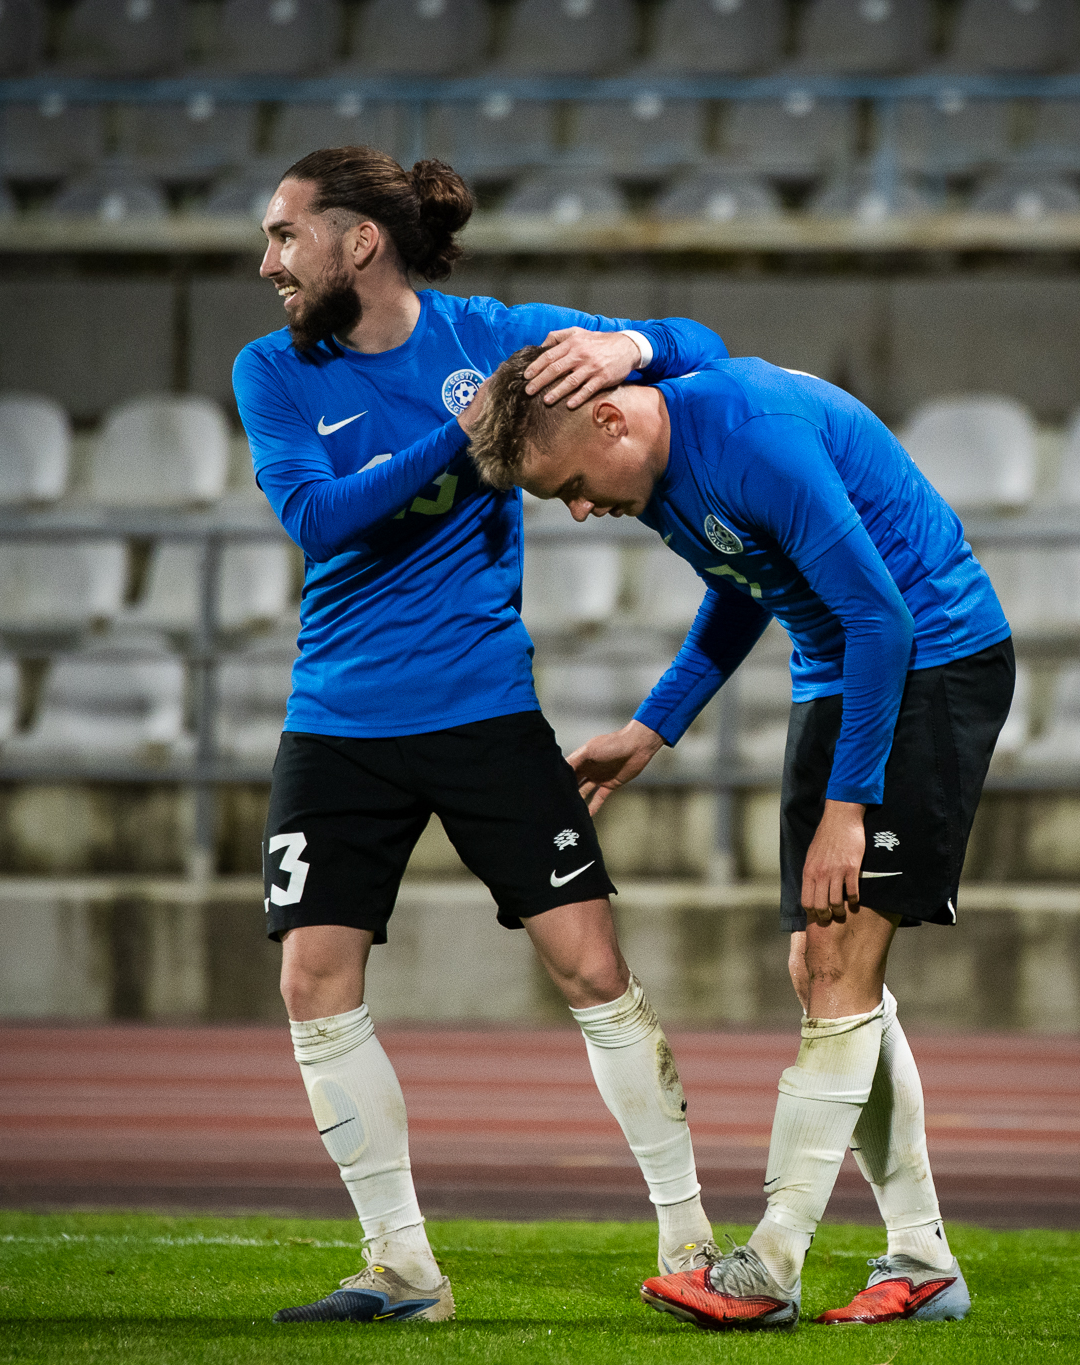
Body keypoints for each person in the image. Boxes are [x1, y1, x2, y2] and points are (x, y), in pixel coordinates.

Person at [234, 148, 731, 1324]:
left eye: (283, 236)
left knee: (591, 967)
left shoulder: (493, 334)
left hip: (485, 709)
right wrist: (471, 438)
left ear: (360, 241)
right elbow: (316, 518)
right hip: (338, 719)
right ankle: (400, 1266)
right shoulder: (274, 371)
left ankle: (693, 1244)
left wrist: (624, 349)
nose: (268, 264)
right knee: (312, 979)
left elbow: (700, 345)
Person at [467, 346, 1015, 1330]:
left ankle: (767, 1268)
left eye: (576, 490)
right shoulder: (666, 475)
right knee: (817, 967)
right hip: (836, 672)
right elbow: (742, 585)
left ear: (609, 424)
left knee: (841, 955)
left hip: (926, 660)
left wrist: (848, 808)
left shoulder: (752, 438)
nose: (582, 511)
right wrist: (652, 726)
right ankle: (921, 1258)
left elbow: (881, 616)